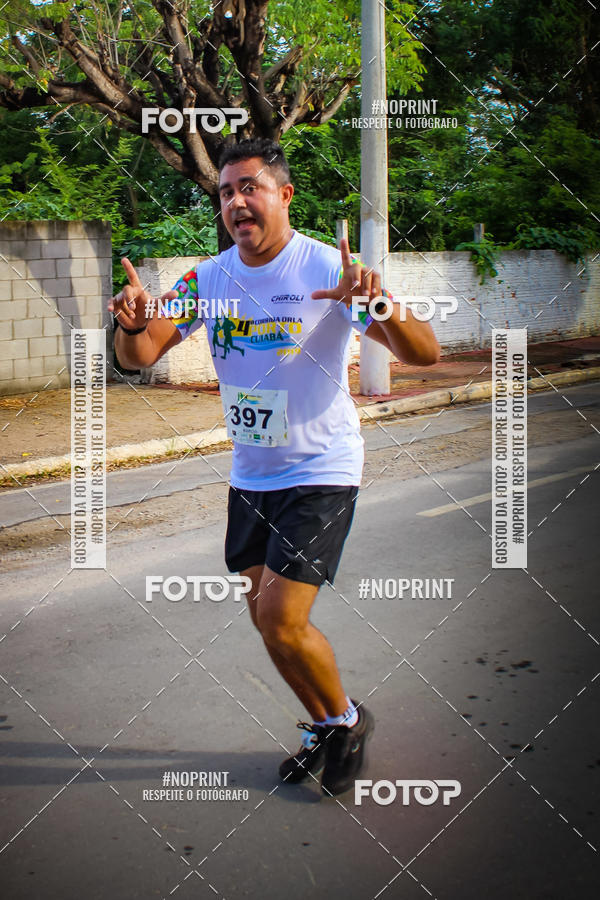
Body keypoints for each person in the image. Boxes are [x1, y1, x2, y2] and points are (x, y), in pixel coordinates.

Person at [109, 138, 440, 797]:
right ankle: (323, 724)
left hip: (321, 467)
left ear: (284, 195)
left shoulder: (327, 268)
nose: (236, 202)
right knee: (265, 618)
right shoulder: (208, 279)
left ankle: (345, 720)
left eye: (249, 188)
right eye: (227, 192)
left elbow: (425, 352)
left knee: (283, 617)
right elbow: (140, 354)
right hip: (252, 473)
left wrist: (376, 302)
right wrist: (130, 322)